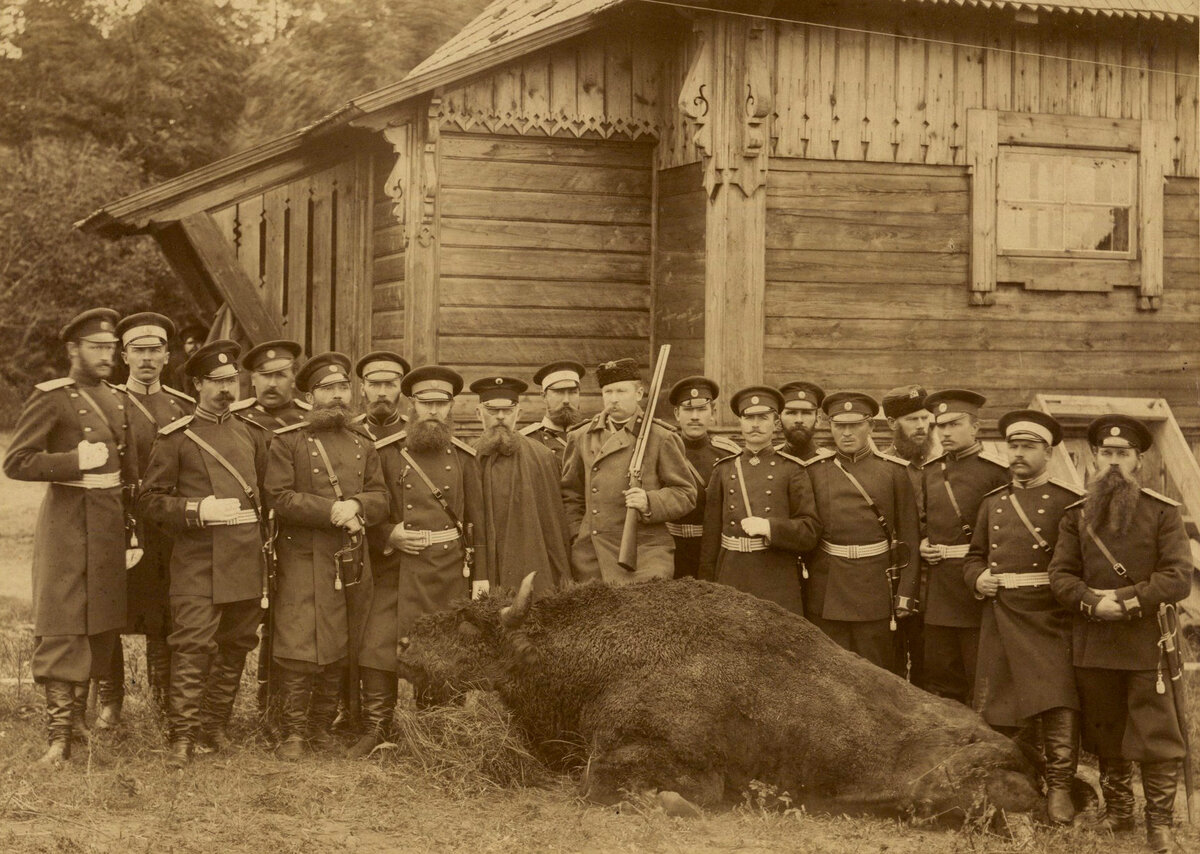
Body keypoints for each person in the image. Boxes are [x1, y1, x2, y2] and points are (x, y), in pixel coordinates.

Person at [1049, 415, 1192, 853]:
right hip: (1094, 642)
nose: (1114, 462)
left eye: (1123, 454)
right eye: (1107, 453)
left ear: (1139, 461)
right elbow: (1060, 574)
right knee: (1107, 732)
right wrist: (1092, 602)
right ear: (1095, 457)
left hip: (1149, 643)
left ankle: (1160, 826)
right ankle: (1120, 814)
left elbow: (1177, 577)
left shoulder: (1163, 512)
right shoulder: (1076, 516)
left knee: (1157, 735)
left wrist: (1126, 600)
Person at [4, 308, 134, 765]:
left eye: (111, 348)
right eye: (97, 347)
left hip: (108, 524)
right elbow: (16, 462)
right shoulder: (52, 398)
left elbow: (128, 470)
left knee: (99, 623)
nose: (107, 356)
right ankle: (58, 736)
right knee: (62, 625)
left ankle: (80, 723)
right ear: (73, 349)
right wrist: (72, 461)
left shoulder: (117, 398)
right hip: (65, 525)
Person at [137, 339, 271, 768]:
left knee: (236, 645)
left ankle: (213, 728)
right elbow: (149, 501)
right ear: (197, 385)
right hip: (198, 559)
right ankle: (182, 737)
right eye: (215, 382)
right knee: (193, 646)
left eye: (231, 380)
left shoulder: (252, 434)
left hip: (246, 556)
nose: (225, 389)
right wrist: (196, 510)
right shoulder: (177, 438)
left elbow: (269, 496)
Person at [349, 365, 488, 759]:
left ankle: (436, 727)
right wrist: (388, 534)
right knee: (377, 645)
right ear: (411, 405)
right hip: (397, 567)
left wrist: (482, 577)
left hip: (446, 568)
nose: (432, 411)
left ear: (451, 407)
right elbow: (372, 507)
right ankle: (378, 726)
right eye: (424, 403)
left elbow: (479, 522)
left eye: (440, 404)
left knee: (440, 653)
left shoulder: (464, 458)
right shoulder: (387, 453)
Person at [264, 353, 388, 760]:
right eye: (327, 389)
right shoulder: (289, 441)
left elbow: (381, 497)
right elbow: (279, 497)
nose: (337, 396)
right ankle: (294, 733)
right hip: (302, 557)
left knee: (341, 640)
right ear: (311, 395)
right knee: (299, 642)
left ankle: (320, 728)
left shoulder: (363, 443)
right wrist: (329, 511)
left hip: (349, 556)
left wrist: (356, 505)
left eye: (342, 388)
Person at [964, 410, 1084, 824]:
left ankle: (1062, 788)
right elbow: (974, 555)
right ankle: (1015, 785)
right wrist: (977, 578)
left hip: (1048, 614)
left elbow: (1078, 567)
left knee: (1055, 698)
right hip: (1000, 613)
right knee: (1000, 704)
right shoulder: (993, 502)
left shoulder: (1069, 503)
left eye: (1028, 447)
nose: (1017, 454)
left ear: (1048, 452)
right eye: (1013, 446)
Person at [94, 312, 195, 730]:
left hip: (166, 526)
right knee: (108, 611)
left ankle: (163, 698)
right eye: (139, 350)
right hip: (118, 520)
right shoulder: (108, 401)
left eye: (156, 349)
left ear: (168, 355)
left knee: (164, 612)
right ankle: (110, 700)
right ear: (124, 355)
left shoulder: (184, 406)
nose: (148, 358)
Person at [804, 392, 920, 671]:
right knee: (830, 674)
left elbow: (910, 538)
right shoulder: (815, 471)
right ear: (830, 427)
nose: (846, 433)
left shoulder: (894, 472)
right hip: (828, 587)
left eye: (855, 425)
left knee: (876, 672)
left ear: (871, 426)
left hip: (875, 587)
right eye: (839, 426)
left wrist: (905, 593)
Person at [561, 358, 696, 584]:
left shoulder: (661, 437)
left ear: (639, 393)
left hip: (645, 554)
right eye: (608, 392)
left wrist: (649, 502)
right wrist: (578, 533)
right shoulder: (581, 436)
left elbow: (686, 493)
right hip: (591, 554)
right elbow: (569, 494)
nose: (613, 399)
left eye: (622, 391)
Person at [920, 389, 1009, 704]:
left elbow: (1008, 532)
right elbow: (923, 519)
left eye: (954, 424)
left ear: (975, 427)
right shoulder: (931, 472)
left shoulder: (996, 472)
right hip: (939, 589)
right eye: (940, 425)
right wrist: (922, 542)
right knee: (941, 676)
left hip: (977, 590)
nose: (944, 432)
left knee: (980, 676)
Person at [698, 386, 820, 613]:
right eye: (748, 417)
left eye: (763, 417)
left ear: (776, 423)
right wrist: (706, 586)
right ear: (740, 423)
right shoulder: (724, 469)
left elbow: (809, 530)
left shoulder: (792, 469)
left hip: (775, 577)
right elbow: (711, 537)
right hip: (731, 574)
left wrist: (770, 527)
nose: (755, 424)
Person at [471, 375, 570, 594]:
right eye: (492, 410)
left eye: (507, 410)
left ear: (519, 414)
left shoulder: (542, 457)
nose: (500, 417)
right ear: (479, 413)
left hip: (532, 560)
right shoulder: (469, 457)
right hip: (485, 566)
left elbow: (553, 524)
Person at [878, 384, 935, 686]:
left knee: (931, 669)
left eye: (926, 418)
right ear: (891, 424)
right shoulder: (883, 467)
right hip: (893, 585)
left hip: (936, 590)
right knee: (893, 672)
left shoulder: (940, 467)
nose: (922, 426)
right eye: (913, 420)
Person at [666, 376, 739, 579]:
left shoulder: (728, 454)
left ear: (713, 414)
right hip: (670, 549)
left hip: (712, 550)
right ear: (677, 414)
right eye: (688, 410)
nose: (695, 416)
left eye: (702, 409)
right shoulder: (664, 450)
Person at [230, 340, 310, 429]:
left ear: (293, 379)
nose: (272, 384)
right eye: (266, 375)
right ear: (253, 379)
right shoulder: (234, 418)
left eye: (280, 375)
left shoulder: (309, 419)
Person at [521, 360, 587, 466]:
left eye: (572, 392)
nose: (566, 400)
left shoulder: (590, 435)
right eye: (559, 392)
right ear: (543, 396)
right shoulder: (527, 440)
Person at [354, 351, 410, 441]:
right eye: (374, 385)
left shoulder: (412, 433)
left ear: (401, 390)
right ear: (362, 389)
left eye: (390, 385)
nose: (382, 393)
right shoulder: (350, 431)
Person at [775, 381, 825, 461]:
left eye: (806, 413)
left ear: (817, 421)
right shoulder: (769, 462)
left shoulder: (831, 464)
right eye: (791, 413)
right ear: (779, 420)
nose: (799, 420)